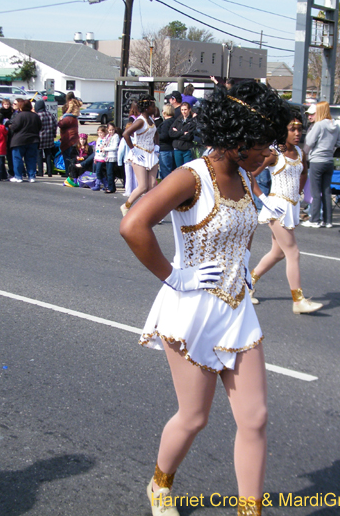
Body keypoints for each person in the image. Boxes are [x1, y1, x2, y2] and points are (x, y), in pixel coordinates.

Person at [119, 81, 292, 516]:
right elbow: (133, 225)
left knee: (255, 417)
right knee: (195, 417)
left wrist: (245, 262)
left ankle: (249, 511)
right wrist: (175, 276)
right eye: (261, 142)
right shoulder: (190, 176)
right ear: (236, 137)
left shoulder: (247, 175)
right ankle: (160, 485)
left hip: (237, 310)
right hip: (192, 310)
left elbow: (242, 230)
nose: (267, 152)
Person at [249, 117, 323, 314]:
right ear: (284, 131)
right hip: (276, 207)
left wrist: (298, 193)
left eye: (300, 129)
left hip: (291, 206)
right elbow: (249, 175)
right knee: (293, 252)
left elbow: (304, 173)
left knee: (278, 253)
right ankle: (298, 301)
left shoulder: (300, 152)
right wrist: (264, 199)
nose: (297, 133)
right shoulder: (274, 153)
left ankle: (247, 284)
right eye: (292, 129)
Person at [302, 102, 340, 228]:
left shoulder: (319, 125)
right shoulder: (335, 125)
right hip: (329, 160)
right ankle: (328, 220)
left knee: (315, 192)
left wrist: (306, 153)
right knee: (326, 191)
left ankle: (314, 219)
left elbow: (309, 141)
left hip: (317, 160)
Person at [121, 95, 159, 216]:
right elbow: (126, 134)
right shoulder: (140, 121)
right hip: (139, 155)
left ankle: (150, 212)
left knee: (152, 186)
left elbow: (156, 133)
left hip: (151, 154)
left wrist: (157, 146)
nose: (155, 108)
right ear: (146, 108)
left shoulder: (151, 120)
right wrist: (133, 149)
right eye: (152, 105)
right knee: (143, 186)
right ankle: (126, 206)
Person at [9, 99, 42, 183]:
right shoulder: (35, 116)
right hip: (33, 139)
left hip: (19, 140)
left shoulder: (19, 116)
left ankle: (18, 176)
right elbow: (40, 127)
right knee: (31, 159)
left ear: (21, 107)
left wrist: (10, 126)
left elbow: (14, 127)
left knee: (17, 158)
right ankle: (31, 176)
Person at [170, 102, 196, 167]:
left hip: (187, 149)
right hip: (177, 149)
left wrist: (177, 134)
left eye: (185, 109)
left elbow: (189, 136)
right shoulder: (178, 120)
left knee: (187, 168)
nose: (183, 112)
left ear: (189, 109)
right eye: (182, 110)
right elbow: (171, 133)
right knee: (179, 169)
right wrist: (182, 133)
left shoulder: (192, 121)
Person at [35, 99, 57, 178]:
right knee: (48, 155)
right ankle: (49, 172)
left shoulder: (37, 116)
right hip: (49, 137)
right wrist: (53, 134)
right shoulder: (50, 115)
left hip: (40, 137)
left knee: (39, 155)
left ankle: (40, 171)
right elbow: (55, 125)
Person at [57, 107, 79, 183]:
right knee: (71, 157)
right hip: (74, 139)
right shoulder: (74, 118)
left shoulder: (67, 118)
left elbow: (61, 124)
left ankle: (68, 172)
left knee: (67, 157)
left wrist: (60, 119)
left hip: (68, 140)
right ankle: (71, 172)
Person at [157, 104, 177, 179]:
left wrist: (155, 137)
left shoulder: (166, 123)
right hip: (172, 148)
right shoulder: (175, 121)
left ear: (165, 112)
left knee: (165, 172)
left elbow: (164, 136)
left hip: (164, 149)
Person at [103, 122, 120, 194]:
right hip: (107, 156)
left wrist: (105, 149)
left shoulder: (116, 136)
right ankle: (110, 186)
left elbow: (114, 147)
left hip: (112, 156)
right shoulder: (108, 136)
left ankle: (111, 188)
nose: (111, 131)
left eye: (113, 130)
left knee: (110, 173)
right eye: (110, 130)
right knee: (108, 172)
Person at [92, 125, 109, 191]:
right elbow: (96, 149)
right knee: (98, 171)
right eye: (98, 133)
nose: (100, 134)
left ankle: (97, 184)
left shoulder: (106, 140)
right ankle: (105, 183)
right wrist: (95, 157)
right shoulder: (98, 139)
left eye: (101, 133)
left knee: (98, 171)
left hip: (102, 157)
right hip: (97, 157)